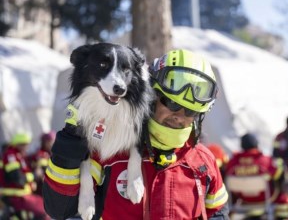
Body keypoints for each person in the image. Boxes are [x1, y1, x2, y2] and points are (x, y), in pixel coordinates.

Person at [43, 49, 229, 219]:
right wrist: (68, 151)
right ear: (152, 97)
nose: (179, 116)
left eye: (190, 111)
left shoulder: (204, 162)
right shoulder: (111, 150)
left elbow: (218, 213)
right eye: (171, 104)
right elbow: (60, 209)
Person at [225, 133, 288, 220]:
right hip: (264, 198)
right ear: (256, 144)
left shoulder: (233, 162)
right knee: (282, 195)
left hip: (243, 199)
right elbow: (278, 174)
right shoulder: (264, 160)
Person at [0, 132, 49, 220]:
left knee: (46, 207)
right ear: (18, 144)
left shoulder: (19, 156)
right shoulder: (11, 155)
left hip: (22, 194)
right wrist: (34, 176)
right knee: (44, 210)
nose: (26, 147)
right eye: (24, 144)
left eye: (27, 144)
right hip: (15, 196)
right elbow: (18, 178)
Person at [29, 131, 56, 196]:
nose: (52, 144)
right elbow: (38, 171)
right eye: (50, 141)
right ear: (44, 142)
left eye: (53, 141)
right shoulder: (40, 154)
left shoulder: (53, 154)